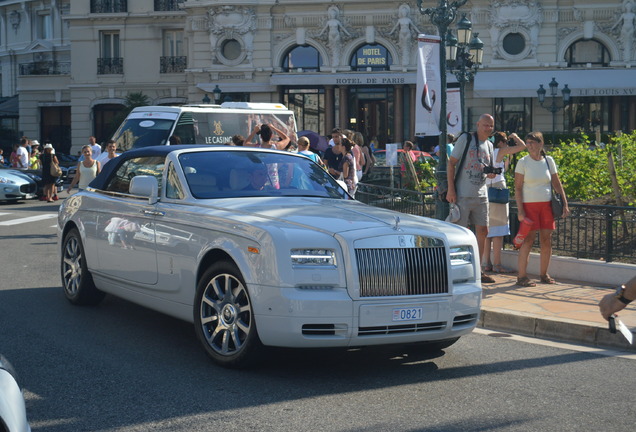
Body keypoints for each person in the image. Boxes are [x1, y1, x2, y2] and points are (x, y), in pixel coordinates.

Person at [514, 131, 570, 287]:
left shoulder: (548, 160)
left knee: (547, 240)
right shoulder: (522, 162)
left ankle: (544, 274)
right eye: (528, 142)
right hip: (529, 206)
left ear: (540, 144)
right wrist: (520, 211)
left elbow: (557, 184)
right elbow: (517, 189)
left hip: (546, 206)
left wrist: (565, 203)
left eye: (532, 142)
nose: (529, 145)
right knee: (528, 240)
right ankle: (522, 276)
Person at [447, 114, 497, 284]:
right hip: (462, 194)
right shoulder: (466, 139)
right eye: (485, 125)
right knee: (459, 234)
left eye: (491, 126)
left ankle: (478, 269)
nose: (488, 128)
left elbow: (486, 169)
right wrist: (451, 189)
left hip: (481, 194)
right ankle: (458, 269)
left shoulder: (490, 145)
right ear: (478, 124)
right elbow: (451, 163)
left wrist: (490, 173)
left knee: (483, 231)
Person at [482, 132, 527, 274]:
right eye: (506, 141)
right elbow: (523, 146)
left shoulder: (487, 152)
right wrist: (515, 136)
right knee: (499, 230)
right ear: (501, 142)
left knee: (487, 230)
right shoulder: (500, 151)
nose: (507, 144)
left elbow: (500, 169)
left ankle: (486, 263)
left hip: (486, 190)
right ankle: (497, 264)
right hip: (498, 191)